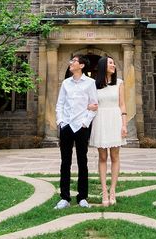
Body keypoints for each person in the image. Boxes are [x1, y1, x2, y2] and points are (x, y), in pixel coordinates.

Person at [55, 54, 98, 209]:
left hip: (81, 127)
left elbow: (94, 105)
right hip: (66, 126)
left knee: (82, 162)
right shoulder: (66, 83)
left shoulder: (90, 83)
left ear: (81, 66)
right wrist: (60, 122)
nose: (70, 63)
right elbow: (59, 104)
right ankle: (64, 198)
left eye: (73, 61)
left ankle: (82, 197)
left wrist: (85, 123)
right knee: (65, 163)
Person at [88, 55, 128, 206]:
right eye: (111, 63)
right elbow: (88, 103)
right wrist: (89, 107)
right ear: (103, 65)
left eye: (114, 63)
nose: (114, 65)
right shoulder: (93, 85)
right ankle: (104, 190)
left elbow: (122, 105)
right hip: (100, 120)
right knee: (103, 157)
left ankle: (113, 191)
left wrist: (124, 124)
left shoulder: (119, 83)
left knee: (115, 156)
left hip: (115, 119)